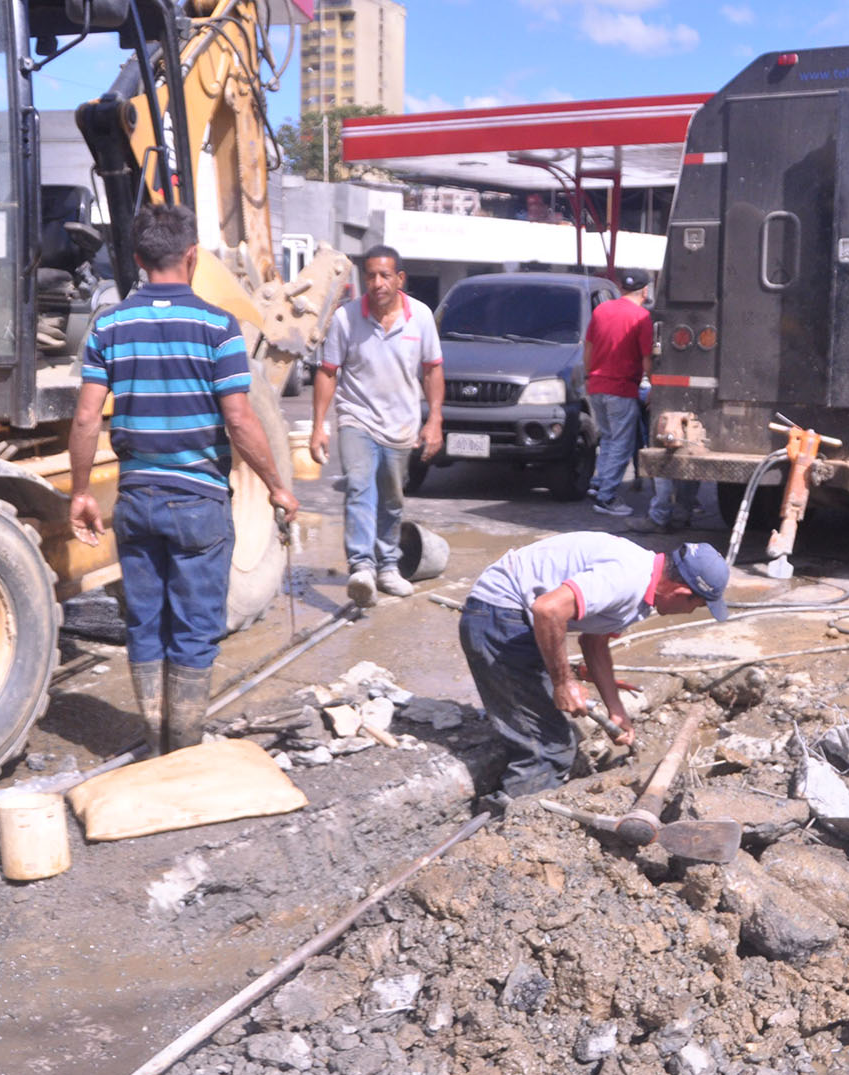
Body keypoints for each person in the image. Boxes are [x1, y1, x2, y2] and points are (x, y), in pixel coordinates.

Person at [69, 204, 297, 755]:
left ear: (140, 260)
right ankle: (185, 745)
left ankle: (154, 738)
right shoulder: (218, 326)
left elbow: (84, 417)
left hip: (136, 500)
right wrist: (275, 486)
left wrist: (79, 493)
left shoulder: (110, 325)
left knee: (146, 624)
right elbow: (240, 419)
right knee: (195, 628)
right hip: (198, 502)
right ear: (192, 257)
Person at [459, 534, 730, 798]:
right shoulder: (627, 578)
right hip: (498, 615)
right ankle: (515, 825)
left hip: (512, 617)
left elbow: (594, 644)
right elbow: (548, 610)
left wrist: (617, 710)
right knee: (549, 747)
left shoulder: (643, 587)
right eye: (697, 605)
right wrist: (563, 683)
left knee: (545, 726)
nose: (692, 613)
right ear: (682, 593)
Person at [309, 245, 444, 607]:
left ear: (400, 279)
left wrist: (435, 419)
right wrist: (319, 425)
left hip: (401, 425)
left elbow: (432, 369)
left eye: (385, 275)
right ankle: (362, 567)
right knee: (358, 487)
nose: (377, 282)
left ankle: (388, 567)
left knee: (392, 497)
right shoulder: (346, 318)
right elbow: (328, 372)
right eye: (370, 275)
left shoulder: (421, 317)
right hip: (357, 417)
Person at [583, 267, 654, 517]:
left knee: (608, 439)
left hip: (596, 387)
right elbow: (647, 361)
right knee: (622, 444)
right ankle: (607, 497)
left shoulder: (601, 310)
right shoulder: (642, 317)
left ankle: (598, 484)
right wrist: (654, 385)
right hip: (622, 389)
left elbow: (588, 349)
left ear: (621, 288)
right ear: (645, 291)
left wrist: (588, 376)